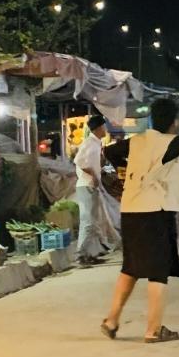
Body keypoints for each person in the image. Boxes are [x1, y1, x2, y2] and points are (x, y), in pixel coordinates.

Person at [100, 99, 179, 343]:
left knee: (130, 267)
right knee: (158, 271)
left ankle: (111, 320)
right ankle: (153, 329)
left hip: (131, 211)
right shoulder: (168, 142)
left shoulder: (138, 141)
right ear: (174, 121)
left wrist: (129, 170)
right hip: (155, 212)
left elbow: (109, 152)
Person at [72, 112, 116, 265]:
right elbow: (79, 162)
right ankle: (80, 255)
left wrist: (100, 169)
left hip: (90, 186)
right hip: (87, 186)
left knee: (94, 221)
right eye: (104, 127)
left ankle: (92, 253)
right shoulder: (90, 143)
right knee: (88, 222)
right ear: (98, 128)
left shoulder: (96, 143)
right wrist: (95, 177)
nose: (106, 130)